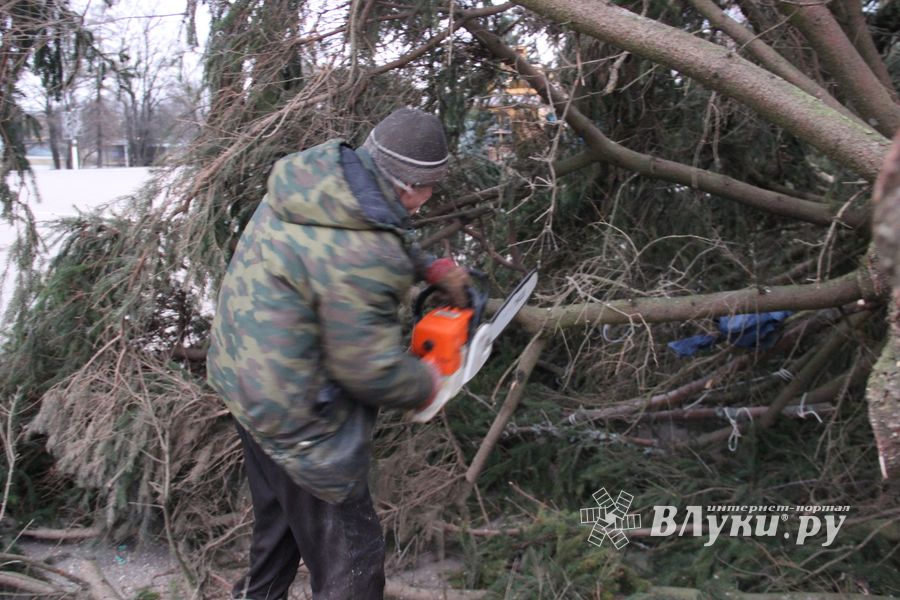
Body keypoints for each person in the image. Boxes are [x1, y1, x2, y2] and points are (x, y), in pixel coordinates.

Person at [206, 108, 470, 600]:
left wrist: (429, 267)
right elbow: (366, 369)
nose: (429, 199)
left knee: (280, 532)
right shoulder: (365, 250)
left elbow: (364, 228)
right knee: (354, 567)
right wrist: (429, 384)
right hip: (303, 424)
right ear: (411, 187)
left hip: (248, 386)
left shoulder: (316, 184)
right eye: (430, 187)